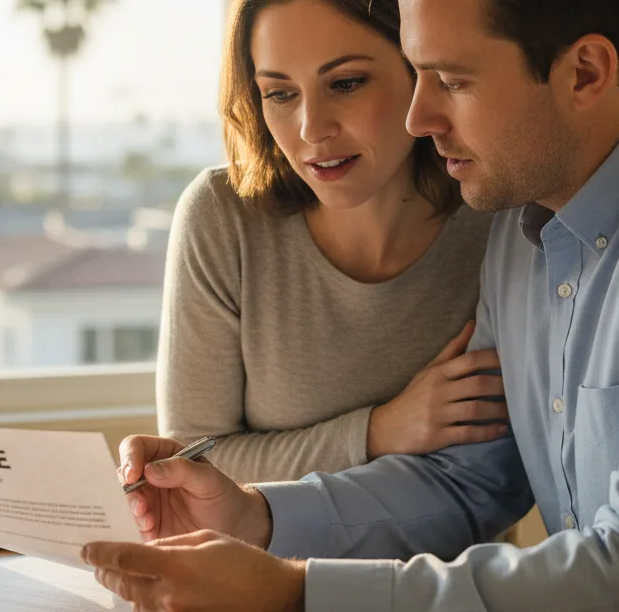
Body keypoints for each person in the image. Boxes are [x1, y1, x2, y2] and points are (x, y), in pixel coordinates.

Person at [86, 0, 619, 609]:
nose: (420, 114)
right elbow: (470, 483)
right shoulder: (522, 223)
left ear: (586, 72)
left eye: (451, 80)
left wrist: (296, 592)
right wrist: (256, 518)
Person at [157, 0, 508, 484]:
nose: (311, 129)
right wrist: (377, 432)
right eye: (280, 94)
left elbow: (496, 476)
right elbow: (191, 463)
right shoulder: (222, 217)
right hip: (247, 562)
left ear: (419, 72)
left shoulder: (497, 222)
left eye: (345, 84)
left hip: (453, 562)